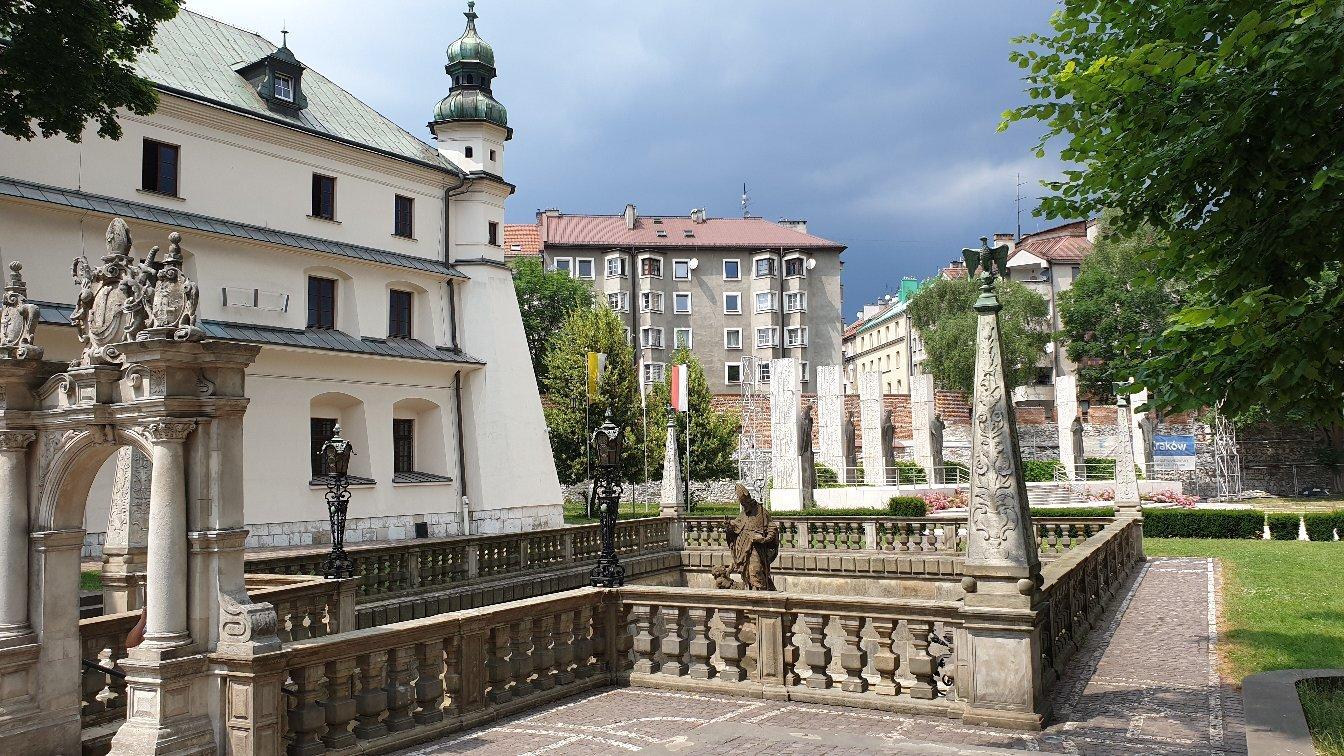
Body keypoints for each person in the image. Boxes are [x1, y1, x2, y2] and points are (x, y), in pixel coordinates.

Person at [725, 483, 779, 590]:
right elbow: (737, 526)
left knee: (756, 571)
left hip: (756, 548)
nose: (744, 507)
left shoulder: (762, 512)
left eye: (745, 504)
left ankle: (762, 596)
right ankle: (755, 594)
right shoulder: (744, 513)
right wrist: (729, 526)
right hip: (743, 548)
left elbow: (772, 528)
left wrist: (764, 539)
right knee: (747, 575)